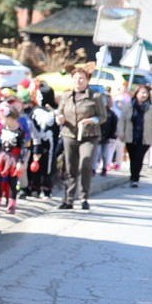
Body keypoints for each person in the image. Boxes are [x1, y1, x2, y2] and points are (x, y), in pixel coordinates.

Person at [56, 66, 106, 209]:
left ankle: (84, 197)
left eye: (81, 78)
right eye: (76, 78)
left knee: (85, 165)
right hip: (69, 134)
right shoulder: (66, 96)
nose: (78, 81)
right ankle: (69, 199)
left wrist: (91, 120)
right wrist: (59, 118)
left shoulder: (95, 96)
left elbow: (103, 116)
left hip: (89, 135)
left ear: (87, 80)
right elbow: (59, 112)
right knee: (70, 168)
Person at [0, 102, 29, 214]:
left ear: (10, 118)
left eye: (3, 119)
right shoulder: (3, 130)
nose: (1, 121)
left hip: (13, 159)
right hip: (1, 157)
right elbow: (0, 142)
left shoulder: (20, 133)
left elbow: (24, 148)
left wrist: (21, 161)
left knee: (12, 181)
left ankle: (11, 204)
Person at [121, 83, 152, 187]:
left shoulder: (151, 107)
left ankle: (135, 178)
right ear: (136, 93)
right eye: (142, 93)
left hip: (145, 137)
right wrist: (120, 132)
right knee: (132, 157)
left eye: (146, 93)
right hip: (131, 135)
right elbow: (122, 120)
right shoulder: (128, 106)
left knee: (139, 157)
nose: (144, 95)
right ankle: (132, 176)